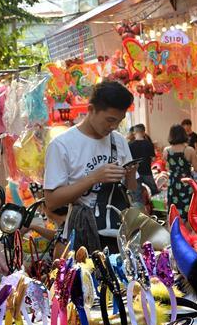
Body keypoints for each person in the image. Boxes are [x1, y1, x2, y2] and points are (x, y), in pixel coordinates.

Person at [44, 81, 138, 251]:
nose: (113, 126)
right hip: (81, 238)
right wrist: (94, 178)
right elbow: (51, 201)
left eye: (119, 121)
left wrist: (131, 173)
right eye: (109, 120)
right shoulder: (62, 145)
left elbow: (130, 188)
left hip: (117, 236)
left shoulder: (119, 141)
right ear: (91, 110)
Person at [164, 124, 197, 216]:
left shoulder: (166, 150)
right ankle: (187, 229)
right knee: (188, 210)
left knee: (174, 210)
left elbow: (167, 167)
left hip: (173, 183)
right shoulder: (189, 150)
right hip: (186, 183)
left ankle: (175, 229)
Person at [128, 124, 158, 198]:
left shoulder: (130, 145)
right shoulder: (149, 144)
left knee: (137, 197)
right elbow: (154, 159)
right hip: (147, 172)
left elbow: (128, 160)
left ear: (134, 133)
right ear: (144, 132)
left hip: (135, 174)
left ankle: (140, 209)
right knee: (155, 193)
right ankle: (154, 208)